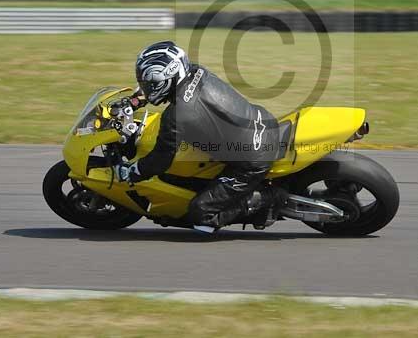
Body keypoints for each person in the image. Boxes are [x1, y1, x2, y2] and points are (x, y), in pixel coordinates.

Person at [113, 41, 288, 232]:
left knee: (201, 213)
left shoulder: (176, 116)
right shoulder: (196, 72)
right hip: (261, 121)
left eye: (149, 84)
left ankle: (269, 198)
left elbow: (160, 161)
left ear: (167, 78)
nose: (146, 88)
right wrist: (137, 99)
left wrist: (133, 171)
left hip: (252, 160)